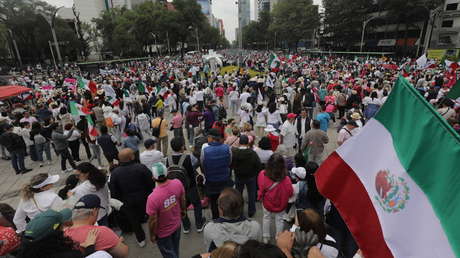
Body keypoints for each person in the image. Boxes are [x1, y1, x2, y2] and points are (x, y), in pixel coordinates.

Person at [109, 148, 155, 247]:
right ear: (131, 157)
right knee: (151, 215)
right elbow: (151, 182)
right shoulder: (141, 167)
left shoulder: (115, 173)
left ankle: (141, 239)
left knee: (134, 221)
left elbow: (114, 192)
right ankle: (155, 232)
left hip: (127, 202)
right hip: (145, 199)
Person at [16, 208, 103, 258]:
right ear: (55, 234)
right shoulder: (69, 255)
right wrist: (90, 249)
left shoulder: (27, 251)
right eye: (62, 226)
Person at [146, 163, 186, 258]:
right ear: (167, 173)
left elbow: (153, 220)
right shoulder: (177, 183)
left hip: (163, 233)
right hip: (177, 225)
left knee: (169, 254)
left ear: (153, 178)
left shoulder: (152, 198)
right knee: (175, 249)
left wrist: (152, 234)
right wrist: (183, 211)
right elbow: (183, 199)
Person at [167, 137, 205, 233]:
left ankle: (186, 226)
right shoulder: (187, 158)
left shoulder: (168, 159)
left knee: (181, 206)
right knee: (197, 204)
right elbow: (192, 172)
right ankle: (199, 224)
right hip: (189, 186)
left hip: (175, 188)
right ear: (182, 147)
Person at [257, 153, 293, 244]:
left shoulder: (262, 175)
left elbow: (261, 188)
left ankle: (266, 237)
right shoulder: (287, 180)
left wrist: (260, 196)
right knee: (279, 220)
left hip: (267, 203)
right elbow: (290, 192)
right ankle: (278, 237)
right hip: (281, 204)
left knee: (266, 217)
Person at [201, 128, 233, 219]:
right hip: (224, 179)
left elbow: (203, 164)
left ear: (211, 138)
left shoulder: (205, 150)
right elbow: (229, 162)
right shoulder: (227, 148)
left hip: (211, 180)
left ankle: (215, 218)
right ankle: (226, 216)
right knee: (225, 199)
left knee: (214, 201)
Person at [231, 135, 263, 218]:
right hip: (250, 176)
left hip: (238, 176)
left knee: (238, 194)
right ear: (247, 142)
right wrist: (254, 173)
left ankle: (239, 212)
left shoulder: (235, 153)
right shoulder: (252, 153)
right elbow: (258, 165)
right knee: (251, 194)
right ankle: (251, 211)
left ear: (239, 142)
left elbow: (231, 164)